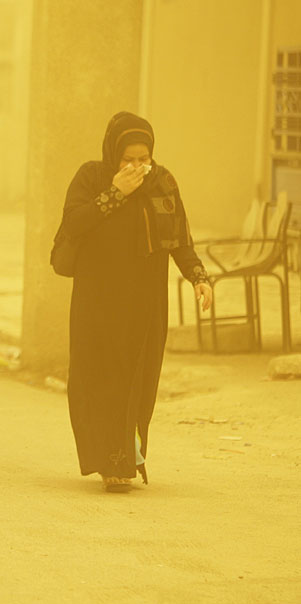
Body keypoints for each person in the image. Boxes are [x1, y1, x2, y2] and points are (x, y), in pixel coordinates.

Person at [57, 111, 213, 492]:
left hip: (145, 303)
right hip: (98, 300)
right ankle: (109, 461)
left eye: (144, 158)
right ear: (114, 154)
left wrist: (198, 276)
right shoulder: (91, 178)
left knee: (136, 381)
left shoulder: (163, 182)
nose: (137, 166)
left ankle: (125, 457)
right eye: (128, 159)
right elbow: (74, 223)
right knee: (99, 378)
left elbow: (180, 239)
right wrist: (115, 194)